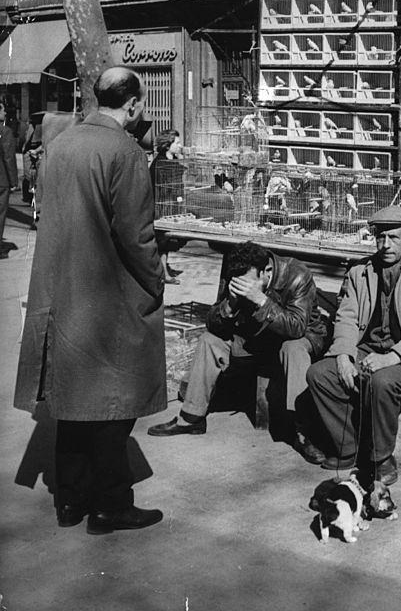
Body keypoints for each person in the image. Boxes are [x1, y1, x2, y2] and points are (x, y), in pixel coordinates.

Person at [14, 67, 167, 534]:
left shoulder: (60, 146)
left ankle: (70, 502)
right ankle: (110, 505)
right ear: (135, 104)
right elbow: (136, 237)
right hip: (107, 294)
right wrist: (158, 278)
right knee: (113, 406)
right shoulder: (126, 152)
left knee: (71, 402)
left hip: (61, 290)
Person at [306, 205, 401, 486]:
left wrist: (391, 357)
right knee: (319, 375)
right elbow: (347, 316)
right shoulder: (359, 273)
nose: (386, 245)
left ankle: (381, 457)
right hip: (369, 348)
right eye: (380, 238)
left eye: (394, 238)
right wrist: (343, 354)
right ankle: (348, 447)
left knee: (381, 381)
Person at [147, 240, 329, 464]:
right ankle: (191, 417)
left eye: (248, 283)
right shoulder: (236, 273)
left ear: (267, 272)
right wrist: (230, 305)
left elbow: (296, 327)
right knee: (209, 341)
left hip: (298, 337)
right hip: (254, 336)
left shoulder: (297, 275)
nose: (242, 287)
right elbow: (213, 324)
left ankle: (303, 431)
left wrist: (261, 300)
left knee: (293, 348)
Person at [149, 129, 186, 286]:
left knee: (167, 241)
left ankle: (164, 270)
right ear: (167, 145)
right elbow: (165, 187)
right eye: (176, 143)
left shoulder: (170, 161)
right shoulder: (161, 163)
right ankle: (162, 272)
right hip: (161, 206)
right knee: (162, 241)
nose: (180, 146)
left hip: (169, 205)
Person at [0, 98, 19, 257]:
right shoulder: (5, 132)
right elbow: (8, 158)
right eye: (2, 109)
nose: (5, 112)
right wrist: (14, 182)